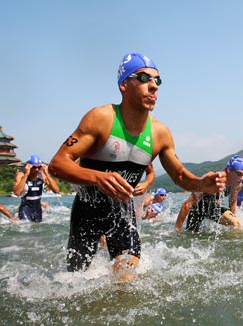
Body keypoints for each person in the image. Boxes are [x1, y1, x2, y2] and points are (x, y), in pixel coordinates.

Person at [48, 51, 226, 281]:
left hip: (122, 212)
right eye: (144, 78)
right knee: (73, 282)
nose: (153, 86)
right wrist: (97, 177)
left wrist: (202, 183)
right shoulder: (101, 118)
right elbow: (57, 164)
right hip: (87, 211)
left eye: (157, 80)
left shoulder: (160, 133)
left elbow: (180, 177)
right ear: (124, 85)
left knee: (126, 280)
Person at [175, 155, 243, 232]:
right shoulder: (211, 181)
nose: (242, 178)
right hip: (197, 210)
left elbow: (233, 201)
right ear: (229, 170)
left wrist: (231, 220)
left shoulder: (237, 185)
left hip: (213, 209)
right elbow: (187, 204)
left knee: (236, 224)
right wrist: (177, 230)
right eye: (239, 174)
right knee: (190, 234)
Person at [13, 155, 60, 222]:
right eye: (34, 167)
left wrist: (47, 173)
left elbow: (56, 190)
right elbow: (17, 193)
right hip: (25, 209)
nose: (37, 169)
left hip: (37, 210)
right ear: (29, 167)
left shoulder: (43, 177)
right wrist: (26, 174)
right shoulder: (21, 175)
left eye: (39, 167)